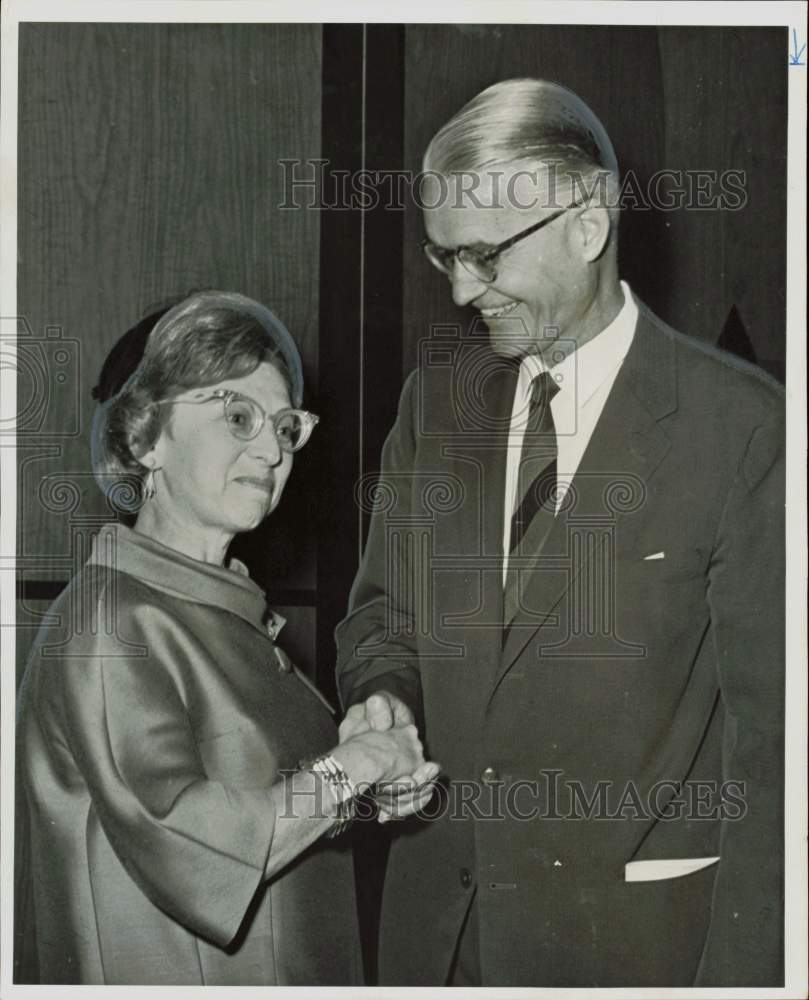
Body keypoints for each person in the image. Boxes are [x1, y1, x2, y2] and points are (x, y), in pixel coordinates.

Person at [336, 80, 785, 987]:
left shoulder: (740, 428)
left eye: (485, 256)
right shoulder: (435, 406)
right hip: (440, 946)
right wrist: (384, 698)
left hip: (635, 950)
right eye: (442, 258)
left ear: (587, 225)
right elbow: (383, 616)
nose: (464, 291)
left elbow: (774, 750)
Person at [15, 290, 438, 986]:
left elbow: (275, 800)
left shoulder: (221, 613)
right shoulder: (111, 623)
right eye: (236, 416)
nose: (269, 449)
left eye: (284, 426)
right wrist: (354, 767)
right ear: (146, 438)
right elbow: (199, 846)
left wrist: (368, 786)